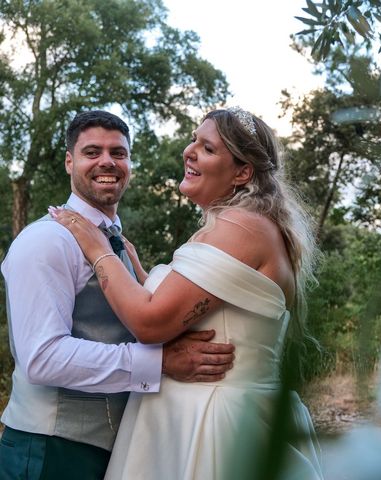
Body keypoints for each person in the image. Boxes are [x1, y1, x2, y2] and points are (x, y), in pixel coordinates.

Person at [53, 107, 324, 479]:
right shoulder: (244, 225)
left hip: (215, 423)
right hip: (207, 414)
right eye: (194, 140)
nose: (189, 151)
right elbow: (204, 312)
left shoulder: (239, 227)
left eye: (208, 148)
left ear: (243, 172)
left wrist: (97, 248)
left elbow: (151, 322)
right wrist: (141, 272)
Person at [0, 110, 235, 480]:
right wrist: (158, 362)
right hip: (51, 451)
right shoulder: (46, 240)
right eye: (92, 152)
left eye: (118, 153)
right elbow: (42, 358)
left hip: (111, 451)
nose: (107, 161)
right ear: (69, 161)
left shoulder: (116, 244)